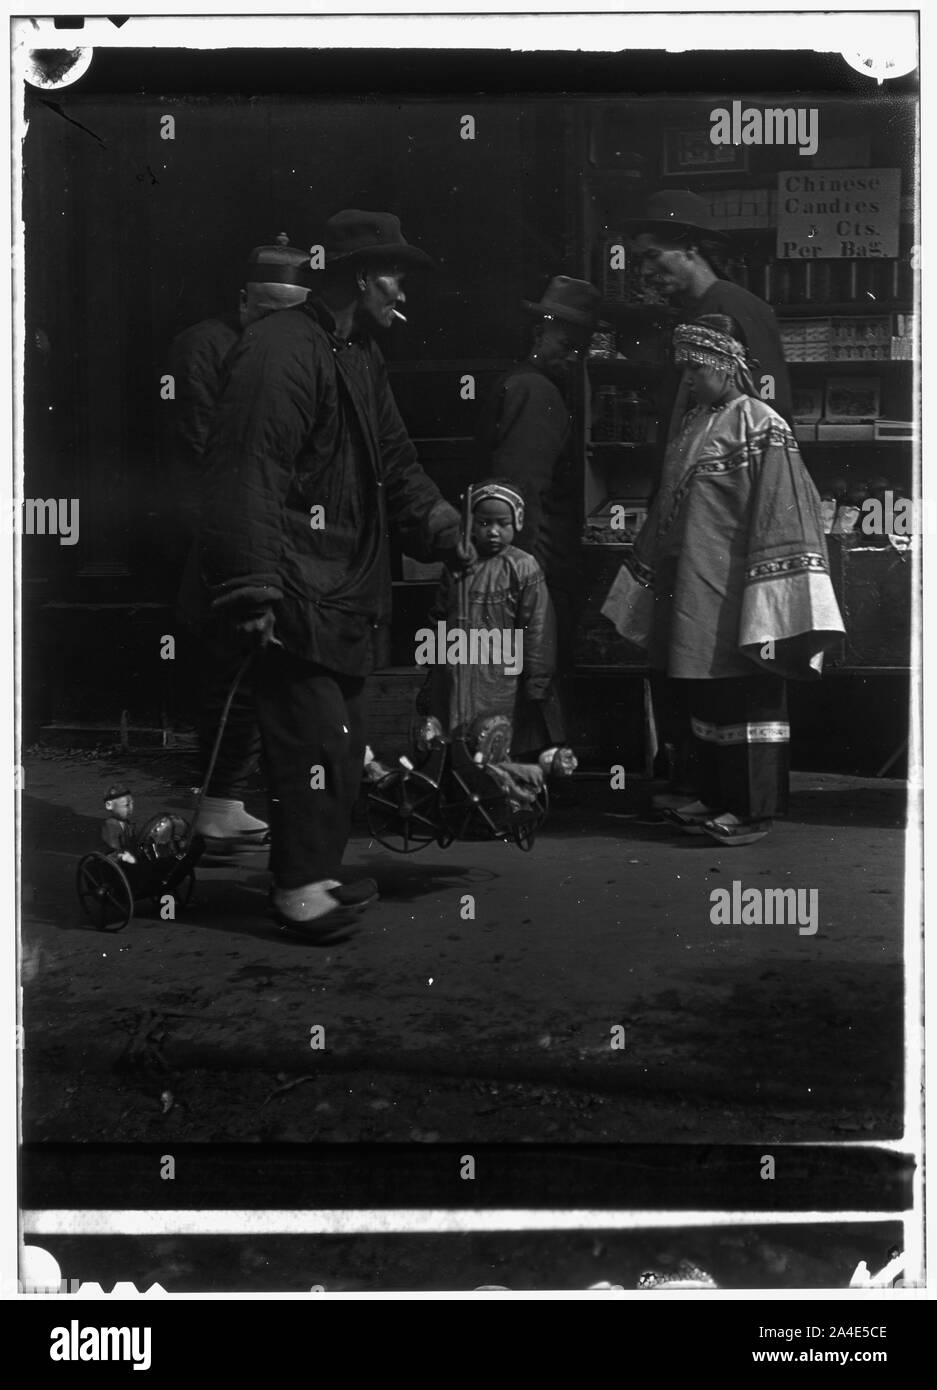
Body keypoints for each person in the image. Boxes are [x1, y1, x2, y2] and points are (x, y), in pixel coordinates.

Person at [198, 209, 471, 935]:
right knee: (313, 740)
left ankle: (312, 872)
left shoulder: (354, 352)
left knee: (338, 745)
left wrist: (441, 526)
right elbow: (245, 470)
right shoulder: (279, 350)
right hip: (293, 584)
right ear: (358, 275)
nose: (402, 289)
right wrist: (253, 585)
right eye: (394, 274)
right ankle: (297, 890)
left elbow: (395, 459)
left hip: (341, 588)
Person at [602, 315, 844, 845]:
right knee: (704, 696)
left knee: (747, 696)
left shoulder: (762, 424)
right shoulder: (694, 423)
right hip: (693, 585)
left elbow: (785, 510)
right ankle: (713, 796)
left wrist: (773, 591)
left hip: (741, 588)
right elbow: (669, 505)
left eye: (694, 367)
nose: (687, 378)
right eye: (683, 368)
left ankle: (752, 811)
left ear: (725, 363)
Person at [170, 235, 314, 850]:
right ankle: (214, 801)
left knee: (260, 668)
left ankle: (224, 800)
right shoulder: (203, 347)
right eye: (263, 309)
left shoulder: (291, 348)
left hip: (274, 525)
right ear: (241, 299)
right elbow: (207, 450)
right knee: (231, 665)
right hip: (224, 528)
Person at [474, 276, 601, 722]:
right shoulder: (536, 392)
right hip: (533, 569)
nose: (572, 356)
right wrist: (520, 578)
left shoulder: (525, 384)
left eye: (579, 347)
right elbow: (518, 493)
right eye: (565, 343)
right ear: (539, 331)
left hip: (525, 566)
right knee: (533, 687)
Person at [624, 189, 794, 432]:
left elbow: (770, 402)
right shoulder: (688, 311)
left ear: (690, 248)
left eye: (653, 255)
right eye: (640, 261)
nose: (645, 271)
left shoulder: (735, 305)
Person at [423, 480, 558, 761]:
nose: (493, 532)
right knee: (453, 741)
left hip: (501, 679)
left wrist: (537, 680)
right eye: (484, 523)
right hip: (457, 672)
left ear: (517, 522)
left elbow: (537, 628)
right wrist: (433, 668)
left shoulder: (522, 567)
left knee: (495, 742)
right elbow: (439, 617)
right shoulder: (457, 567)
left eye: (502, 523)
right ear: (471, 524)